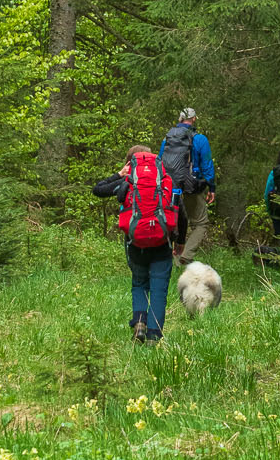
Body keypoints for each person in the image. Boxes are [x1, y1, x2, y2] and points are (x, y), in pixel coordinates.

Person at [92, 144, 185, 344]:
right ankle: (153, 336)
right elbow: (181, 212)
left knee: (139, 283)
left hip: (135, 245)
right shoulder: (165, 182)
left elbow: (98, 189)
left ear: (129, 163)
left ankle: (140, 323)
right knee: (159, 289)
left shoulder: (126, 182)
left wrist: (118, 174)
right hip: (162, 242)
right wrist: (181, 241)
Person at [159, 108, 216, 263]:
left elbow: (159, 162)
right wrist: (211, 187)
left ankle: (170, 258)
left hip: (170, 187)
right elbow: (207, 164)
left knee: (170, 221)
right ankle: (186, 255)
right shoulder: (200, 139)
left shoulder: (167, 139)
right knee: (200, 223)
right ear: (194, 119)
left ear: (180, 119)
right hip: (192, 186)